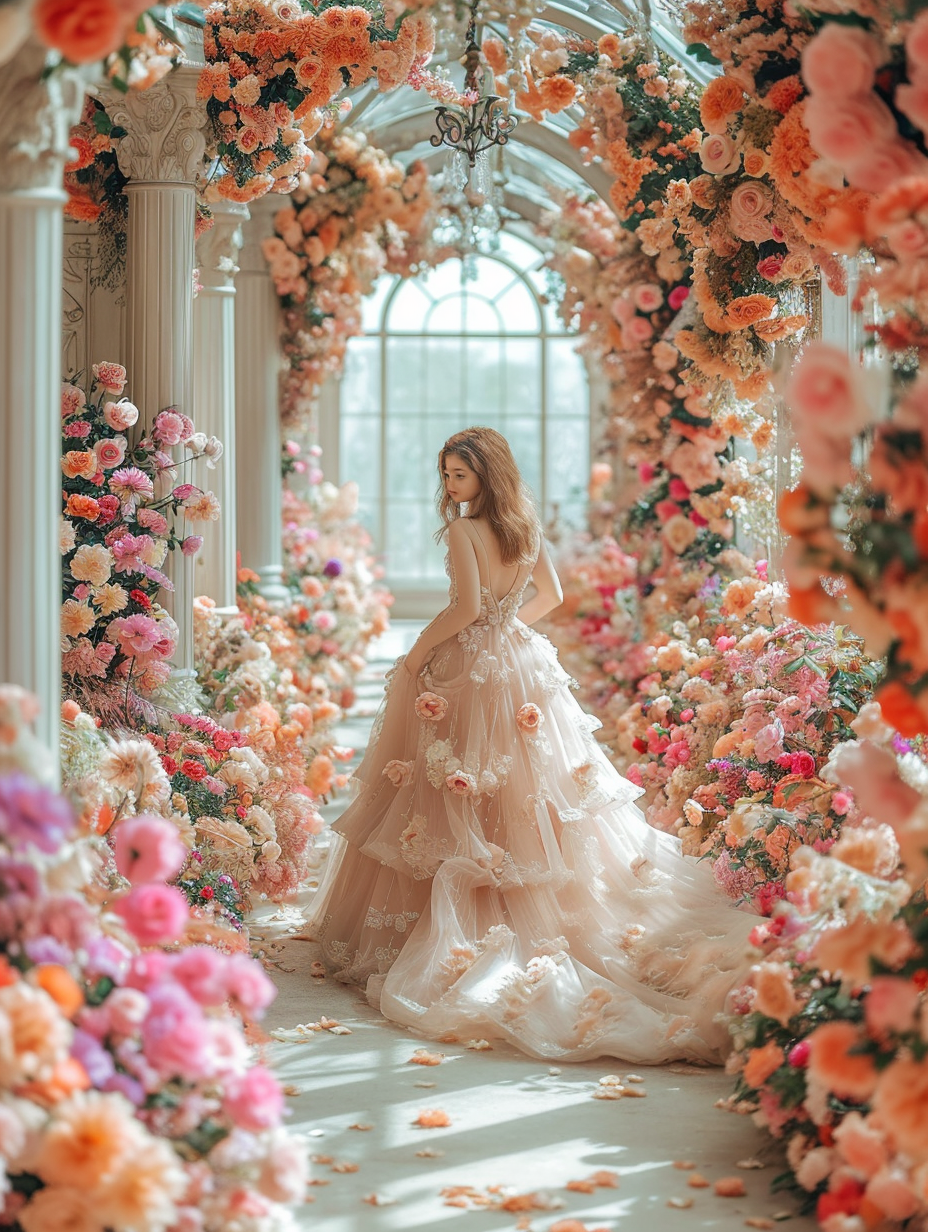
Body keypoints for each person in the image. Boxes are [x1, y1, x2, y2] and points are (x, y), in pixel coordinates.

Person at [308, 427, 756, 1063]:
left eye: (459, 475)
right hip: (518, 660)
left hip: (469, 663)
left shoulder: (465, 531)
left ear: (486, 475)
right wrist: (508, 627)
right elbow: (552, 596)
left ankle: (472, 910)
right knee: (518, 783)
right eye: (446, 475)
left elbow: (463, 607)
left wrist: (417, 654)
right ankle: (515, 896)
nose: (450, 487)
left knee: (464, 780)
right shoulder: (523, 528)